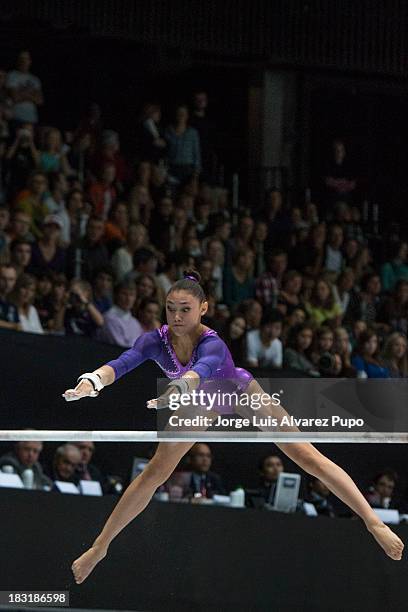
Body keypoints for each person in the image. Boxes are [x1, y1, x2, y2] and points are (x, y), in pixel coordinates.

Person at [63, 269, 404, 585]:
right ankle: (100, 546)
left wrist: (179, 389)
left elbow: (204, 369)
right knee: (155, 472)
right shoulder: (155, 340)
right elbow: (121, 364)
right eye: (170, 309)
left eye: (185, 309)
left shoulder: (213, 343)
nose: (177, 317)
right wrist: (92, 381)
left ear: (204, 308)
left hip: (238, 392)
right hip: (200, 402)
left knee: (307, 456)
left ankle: (373, 522)